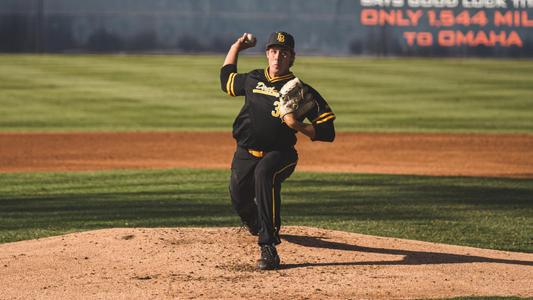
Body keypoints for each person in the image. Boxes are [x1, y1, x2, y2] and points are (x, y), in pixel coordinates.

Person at [219, 31, 336, 270]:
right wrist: (236, 47)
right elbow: (227, 81)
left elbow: (327, 131)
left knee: (265, 175)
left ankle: (268, 246)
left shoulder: (301, 90)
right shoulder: (253, 78)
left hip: (280, 154)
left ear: (292, 57)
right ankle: (255, 223)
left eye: (284, 53)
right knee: (239, 197)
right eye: (273, 51)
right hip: (245, 151)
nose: (277, 57)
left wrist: (298, 125)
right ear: (267, 54)